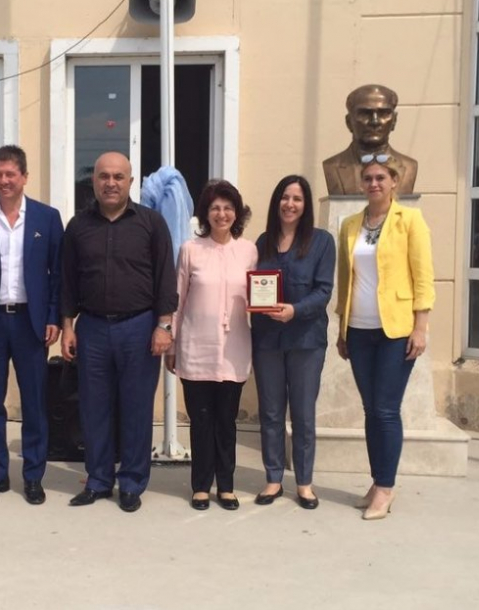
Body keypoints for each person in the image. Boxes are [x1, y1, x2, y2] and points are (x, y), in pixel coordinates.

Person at [61, 151, 177, 513]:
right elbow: (67, 281)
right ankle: (98, 480)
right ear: (94, 181)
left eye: (118, 177)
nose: (110, 183)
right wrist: (68, 327)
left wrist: (164, 326)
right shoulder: (78, 226)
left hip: (139, 328)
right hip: (92, 328)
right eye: (104, 176)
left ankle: (131, 482)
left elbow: (166, 277)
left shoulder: (151, 223)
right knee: (93, 407)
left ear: (130, 182)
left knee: (136, 408)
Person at [0, 145, 64, 505]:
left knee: (34, 404)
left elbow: (57, 274)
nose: (4, 181)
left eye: (10, 174)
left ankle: (33, 476)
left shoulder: (47, 218)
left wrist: (53, 316)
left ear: (24, 177)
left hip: (31, 324)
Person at [336, 154, 434, 520]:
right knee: (370, 409)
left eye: (380, 177)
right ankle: (377, 481)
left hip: (395, 330)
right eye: (368, 178)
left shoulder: (410, 220)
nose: (374, 183)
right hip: (359, 330)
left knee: (386, 409)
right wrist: (342, 328)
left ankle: (386, 488)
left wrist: (421, 327)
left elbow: (423, 276)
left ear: (394, 182)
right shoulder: (350, 225)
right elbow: (345, 278)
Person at [164, 180, 256, 511]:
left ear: (237, 213)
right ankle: (201, 486)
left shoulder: (248, 251)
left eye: (228, 208)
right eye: (215, 208)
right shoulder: (190, 250)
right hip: (196, 347)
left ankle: (226, 486)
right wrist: (171, 343)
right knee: (201, 420)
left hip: (234, 348)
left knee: (226, 421)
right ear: (205, 213)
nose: (222, 214)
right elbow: (177, 300)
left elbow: (259, 293)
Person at [250, 175, 335, 510]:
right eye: (285, 197)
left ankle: (304, 483)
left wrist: (295, 310)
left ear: (306, 205)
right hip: (267, 340)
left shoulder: (322, 241)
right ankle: (273, 479)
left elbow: (324, 290)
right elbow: (255, 285)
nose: (290, 204)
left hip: (306, 340)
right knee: (270, 412)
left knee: (302, 414)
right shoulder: (263, 242)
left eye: (297, 199)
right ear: (277, 202)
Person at [322, 84, 418, 196]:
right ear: (349, 122)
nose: (375, 122)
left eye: (383, 113)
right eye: (364, 114)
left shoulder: (409, 166)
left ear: (394, 121)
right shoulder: (332, 166)